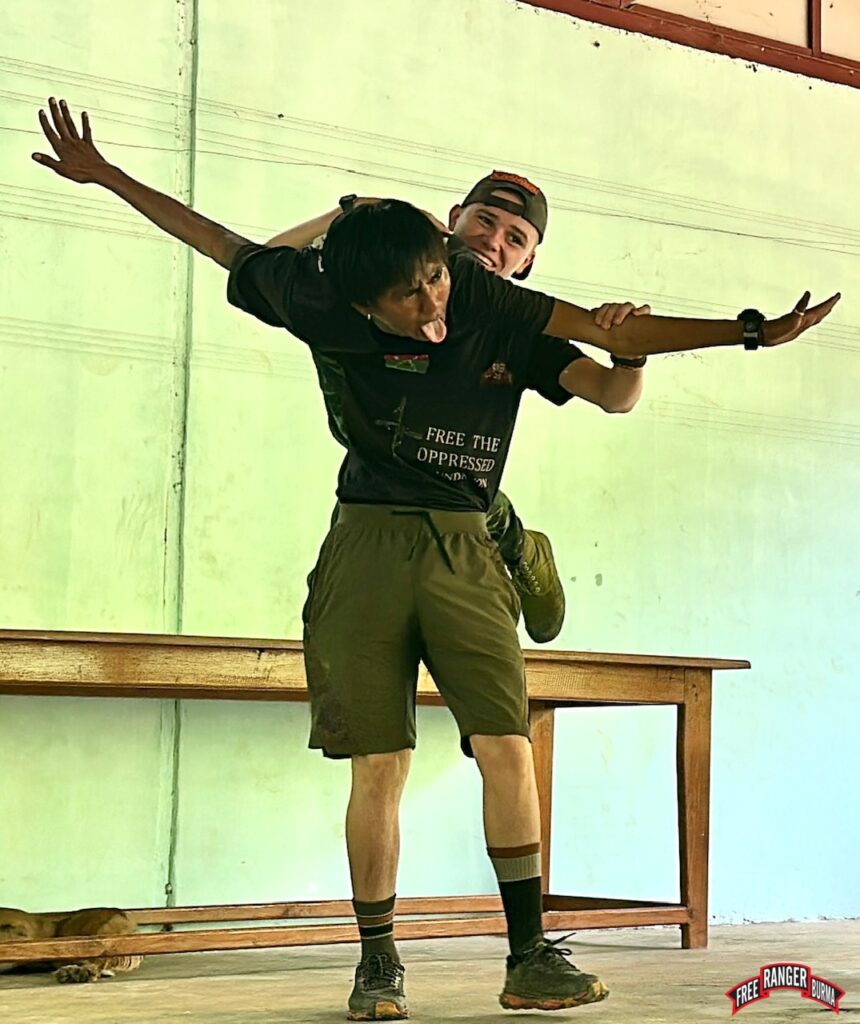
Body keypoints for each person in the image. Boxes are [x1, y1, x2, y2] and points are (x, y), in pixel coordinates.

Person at [32, 98, 839, 1020]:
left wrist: (747, 331)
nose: (439, 302)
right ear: (444, 227)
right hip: (368, 536)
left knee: (506, 745)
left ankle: (529, 956)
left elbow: (615, 367)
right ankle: (378, 964)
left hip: (462, 539)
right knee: (378, 765)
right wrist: (115, 177)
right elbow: (228, 247)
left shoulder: (489, 301)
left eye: (513, 238)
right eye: (481, 226)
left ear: (517, 258)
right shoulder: (323, 294)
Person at [264, 173, 652, 645]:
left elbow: (614, 396)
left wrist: (630, 352)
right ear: (452, 220)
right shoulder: (371, 277)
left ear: (527, 261)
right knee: (342, 598)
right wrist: (352, 209)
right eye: (484, 221)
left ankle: (522, 549)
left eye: (515, 239)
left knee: (463, 513)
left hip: (459, 493)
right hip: (371, 473)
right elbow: (262, 266)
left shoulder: (517, 325)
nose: (493, 241)